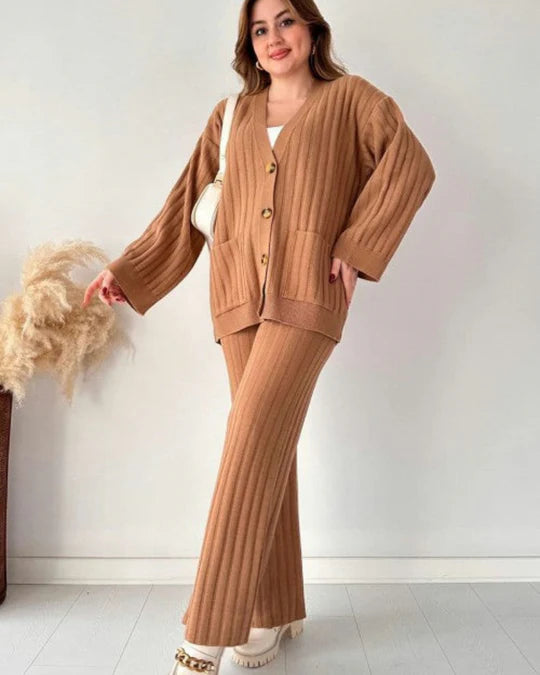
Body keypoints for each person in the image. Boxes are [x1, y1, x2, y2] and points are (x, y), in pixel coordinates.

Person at [82, 0, 436, 671]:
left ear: (312, 27)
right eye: (260, 28)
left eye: (286, 21)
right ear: (249, 43)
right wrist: (129, 270)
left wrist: (356, 246)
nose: (275, 37)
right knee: (267, 446)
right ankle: (272, 615)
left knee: (247, 442)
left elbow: (410, 165)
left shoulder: (353, 100)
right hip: (238, 299)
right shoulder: (232, 115)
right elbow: (186, 204)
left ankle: (204, 635)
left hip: (310, 294)